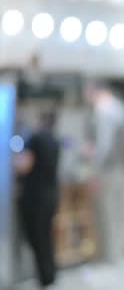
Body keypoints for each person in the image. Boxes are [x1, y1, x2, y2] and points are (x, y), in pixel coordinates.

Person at [83, 80, 124, 263]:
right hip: (120, 169)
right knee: (117, 215)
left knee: (106, 217)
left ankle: (109, 260)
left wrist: (94, 171)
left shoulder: (104, 111)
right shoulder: (121, 108)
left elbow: (105, 146)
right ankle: (117, 256)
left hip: (107, 172)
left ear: (94, 91)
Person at [14, 111, 61, 288]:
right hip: (51, 195)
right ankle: (50, 275)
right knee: (46, 237)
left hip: (35, 198)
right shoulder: (54, 141)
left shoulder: (35, 139)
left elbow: (25, 165)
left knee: (37, 239)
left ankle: (44, 278)